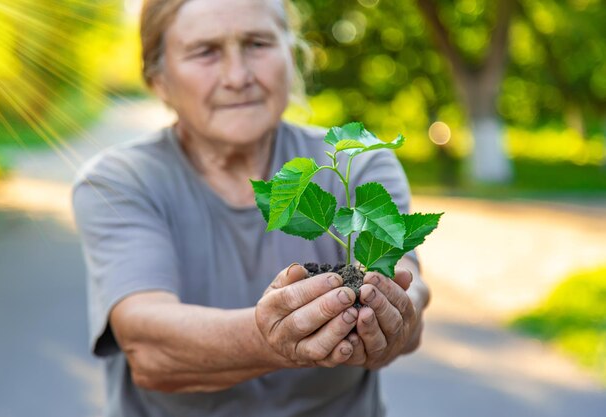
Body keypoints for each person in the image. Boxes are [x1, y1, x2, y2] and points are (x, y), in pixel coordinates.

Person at [72, 0, 430, 416]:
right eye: (205, 52)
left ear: (292, 57)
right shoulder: (119, 182)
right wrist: (271, 335)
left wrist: (399, 313)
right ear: (159, 80)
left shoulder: (359, 159)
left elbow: (406, 282)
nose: (238, 77)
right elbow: (148, 348)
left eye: (257, 43)